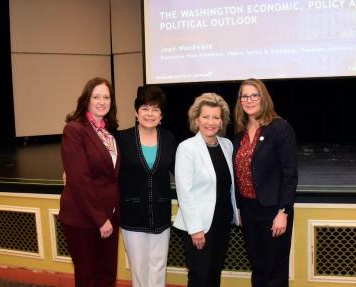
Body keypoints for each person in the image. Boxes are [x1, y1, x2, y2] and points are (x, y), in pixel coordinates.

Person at [233, 78, 298, 287]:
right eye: (245, 96)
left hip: (273, 211)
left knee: (275, 272)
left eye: (255, 95)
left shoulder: (280, 128)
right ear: (239, 100)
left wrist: (283, 212)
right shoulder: (238, 131)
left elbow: (290, 174)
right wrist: (240, 210)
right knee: (258, 267)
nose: (249, 100)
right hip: (248, 210)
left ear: (263, 98)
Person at [173, 92, 240, 287]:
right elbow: (184, 193)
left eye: (215, 117)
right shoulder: (187, 148)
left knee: (214, 274)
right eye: (205, 116)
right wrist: (195, 229)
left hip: (222, 222)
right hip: (199, 227)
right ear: (196, 119)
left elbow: (229, 186)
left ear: (222, 121)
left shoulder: (227, 145)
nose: (210, 122)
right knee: (199, 277)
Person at [59, 77, 120, 287]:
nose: (102, 101)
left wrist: (110, 216)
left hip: (110, 215)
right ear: (86, 100)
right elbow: (80, 180)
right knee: (88, 277)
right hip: (84, 218)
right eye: (96, 97)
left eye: (106, 97)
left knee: (107, 274)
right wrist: (100, 219)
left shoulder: (108, 131)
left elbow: (112, 174)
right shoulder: (75, 130)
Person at [115, 86, 176, 287]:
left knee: (159, 265)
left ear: (161, 115)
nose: (150, 114)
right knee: (139, 267)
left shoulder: (168, 138)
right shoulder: (121, 139)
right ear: (136, 112)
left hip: (160, 212)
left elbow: (180, 171)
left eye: (155, 109)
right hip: (133, 214)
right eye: (145, 108)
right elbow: (107, 170)